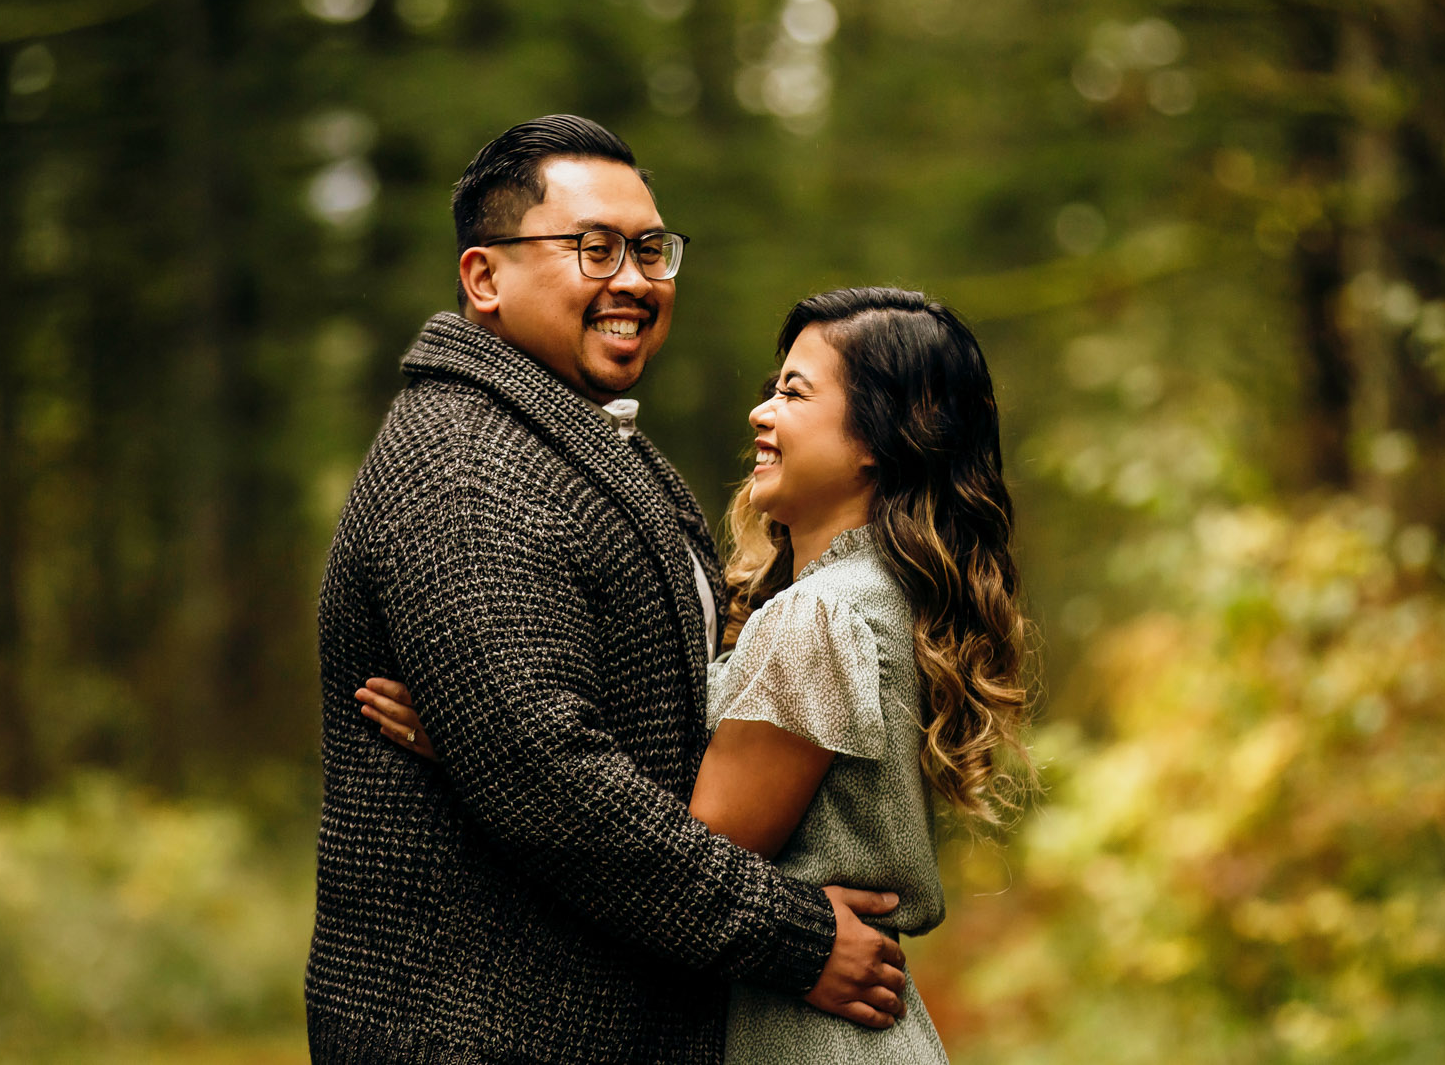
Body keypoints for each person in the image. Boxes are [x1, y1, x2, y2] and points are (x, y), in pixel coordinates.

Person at [306, 115, 909, 1065]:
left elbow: (591, 742)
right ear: (484, 277)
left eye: (650, 249)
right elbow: (555, 787)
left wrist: (476, 742)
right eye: (593, 248)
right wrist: (793, 937)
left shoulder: (568, 444)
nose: (634, 278)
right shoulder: (470, 469)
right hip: (481, 1030)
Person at [362, 286, 1032, 1062]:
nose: (761, 412)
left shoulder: (817, 618)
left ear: (875, 438)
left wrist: (494, 739)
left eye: (793, 391)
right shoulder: (881, 594)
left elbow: (689, 854)